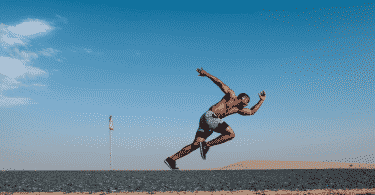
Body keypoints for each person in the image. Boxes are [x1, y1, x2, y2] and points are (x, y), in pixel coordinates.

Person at [164, 68, 266, 170]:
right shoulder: (231, 94)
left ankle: (171, 159)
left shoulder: (238, 109)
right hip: (209, 116)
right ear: (241, 98)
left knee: (196, 144)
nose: (247, 104)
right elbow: (219, 82)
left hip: (207, 122)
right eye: (247, 101)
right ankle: (207, 145)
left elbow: (251, 112)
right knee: (231, 134)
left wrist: (261, 101)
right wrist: (206, 74)